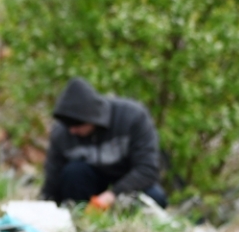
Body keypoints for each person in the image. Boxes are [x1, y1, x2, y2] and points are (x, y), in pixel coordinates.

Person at [39, 77, 167, 209]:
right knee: (73, 172)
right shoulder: (61, 133)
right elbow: (53, 177)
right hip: (90, 184)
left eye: (77, 125)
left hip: (128, 183)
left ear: (91, 118)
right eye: (68, 125)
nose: (72, 130)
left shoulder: (133, 117)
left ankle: (127, 219)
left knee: (155, 198)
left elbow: (147, 169)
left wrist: (112, 195)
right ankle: (79, 213)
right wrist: (44, 206)